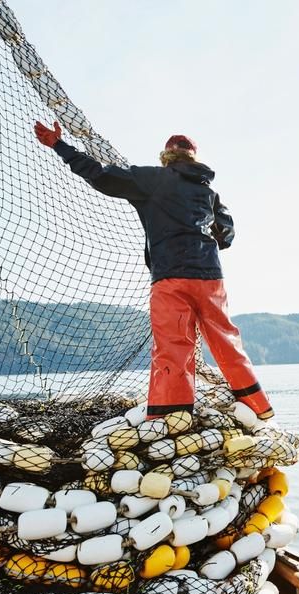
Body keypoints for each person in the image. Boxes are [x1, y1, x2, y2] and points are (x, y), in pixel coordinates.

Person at [33, 120, 274, 420]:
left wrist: (59, 145)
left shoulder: (151, 180)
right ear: (193, 158)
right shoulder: (208, 193)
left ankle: (169, 420)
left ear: (166, 157)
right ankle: (259, 410)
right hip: (210, 278)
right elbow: (226, 233)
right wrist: (211, 238)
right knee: (227, 341)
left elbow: (99, 175)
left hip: (170, 277)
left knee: (173, 347)